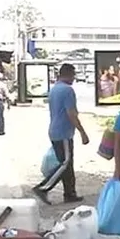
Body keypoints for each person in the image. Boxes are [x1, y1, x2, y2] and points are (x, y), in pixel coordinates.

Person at [35, 63, 89, 203]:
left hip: (55, 129)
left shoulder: (55, 89)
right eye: (74, 75)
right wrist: (82, 132)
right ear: (70, 74)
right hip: (63, 132)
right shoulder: (67, 90)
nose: (74, 78)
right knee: (64, 164)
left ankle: (70, 193)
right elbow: (71, 113)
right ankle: (43, 187)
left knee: (67, 164)